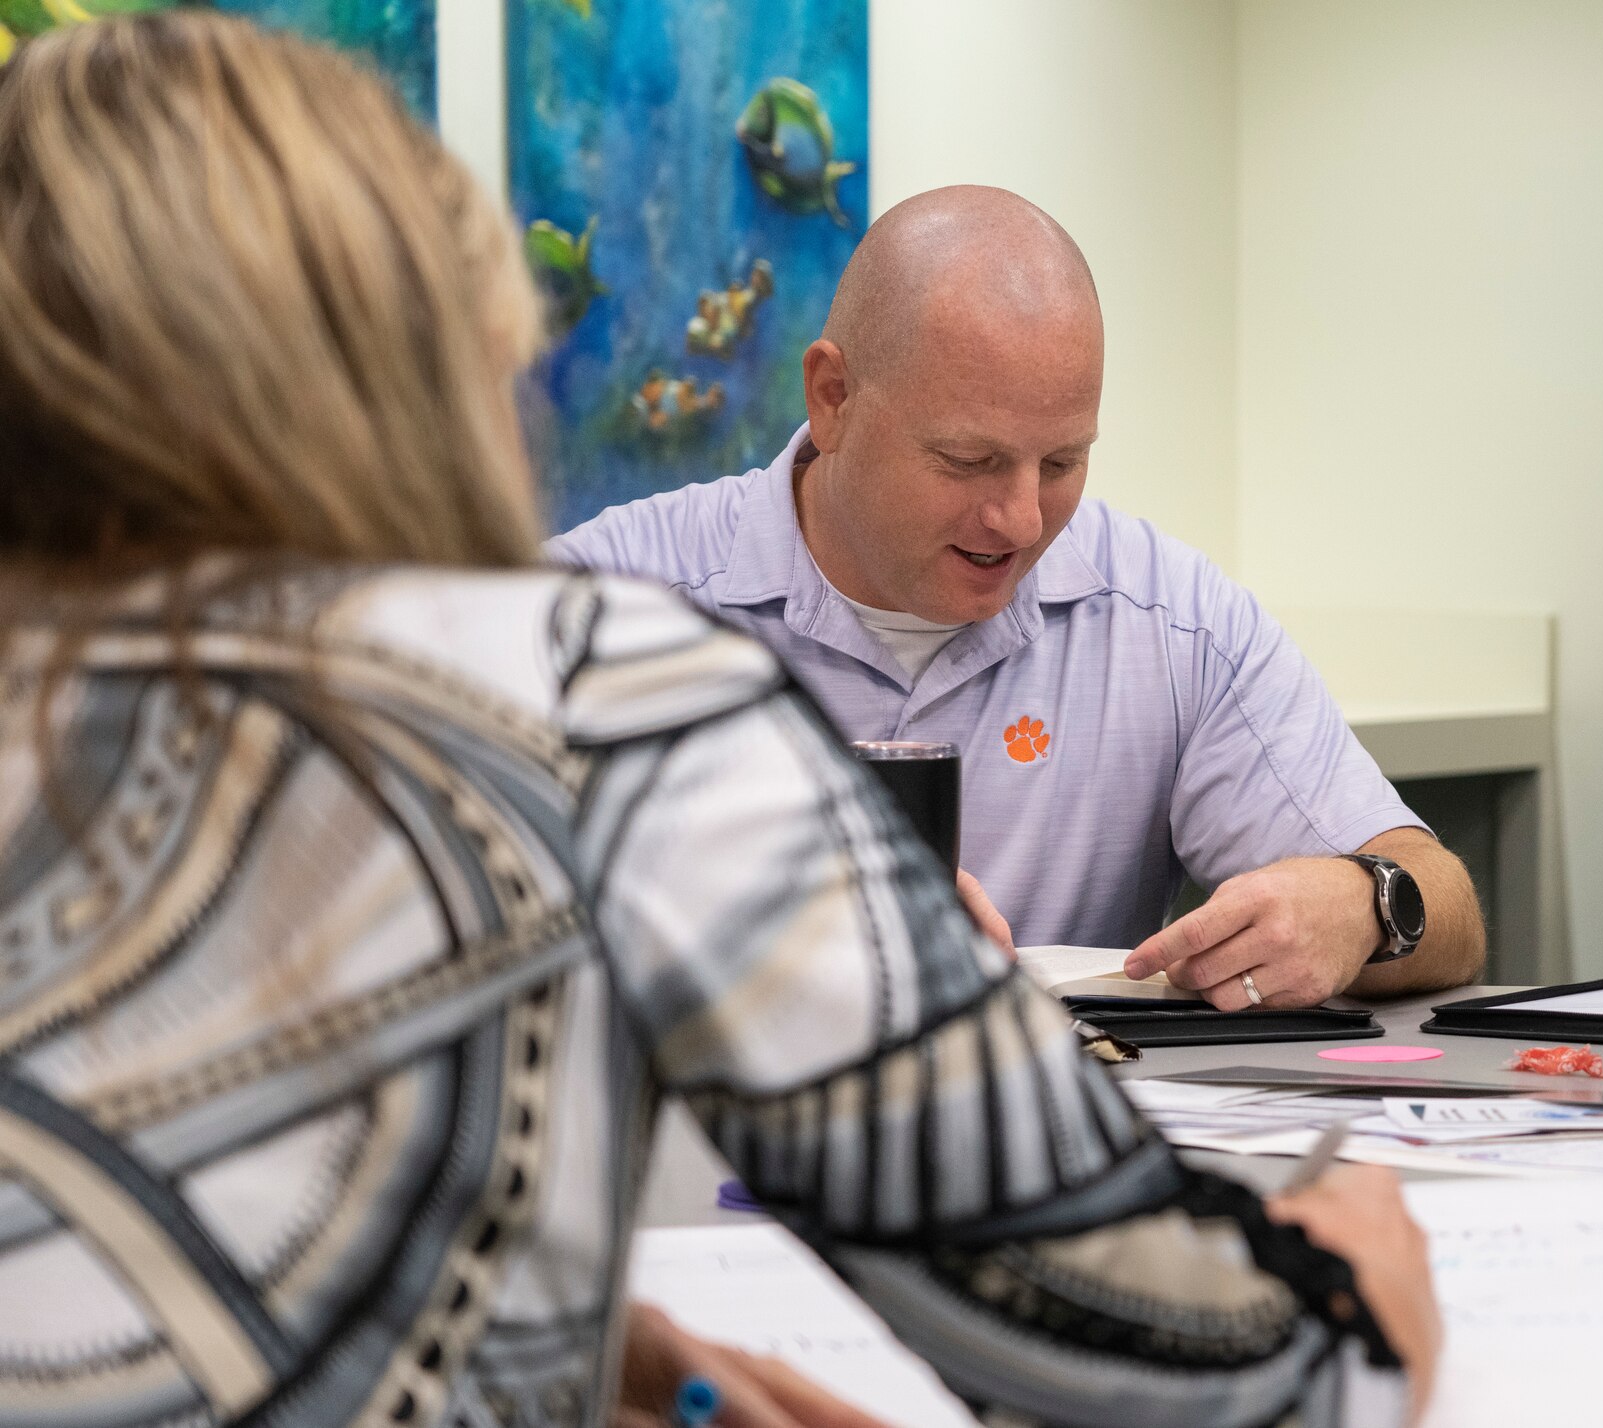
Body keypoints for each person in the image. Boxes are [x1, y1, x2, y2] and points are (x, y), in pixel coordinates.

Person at [0, 15, 1439, 1428]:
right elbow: (1211, 1375)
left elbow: (173, 1190)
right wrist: (1348, 1287)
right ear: (409, 377)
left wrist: (568, 1325)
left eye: (1059, 463)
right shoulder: (592, 701)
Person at [551, 186, 1486, 1010]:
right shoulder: (592, 612)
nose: (1023, 520)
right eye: (970, 461)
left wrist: (1366, 905)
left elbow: (1445, 903)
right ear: (832, 397)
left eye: (1064, 462)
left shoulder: (1169, 622)